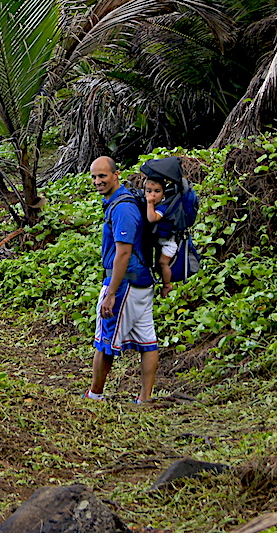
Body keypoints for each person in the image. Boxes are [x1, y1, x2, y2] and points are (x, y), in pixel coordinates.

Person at [85, 156, 173, 403]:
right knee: (147, 341)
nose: (97, 181)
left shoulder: (122, 208)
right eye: (94, 177)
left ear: (116, 175)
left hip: (126, 283)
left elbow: (123, 252)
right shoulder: (125, 200)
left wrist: (111, 293)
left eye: (102, 176)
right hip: (143, 282)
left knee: (105, 340)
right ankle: (144, 398)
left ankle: (94, 395)